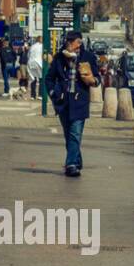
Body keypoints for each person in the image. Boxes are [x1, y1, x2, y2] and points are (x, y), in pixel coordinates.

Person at [47, 30, 99, 176]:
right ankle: (76, 161)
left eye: (76, 43)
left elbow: (97, 78)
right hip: (63, 102)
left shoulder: (88, 57)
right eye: (71, 43)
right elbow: (49, 78)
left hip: (79, 101)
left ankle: (70, 165)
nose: (74, 46)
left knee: (75, 133)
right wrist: (52, 93)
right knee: (68, 135)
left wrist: (92, 80)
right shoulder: (59, 58)